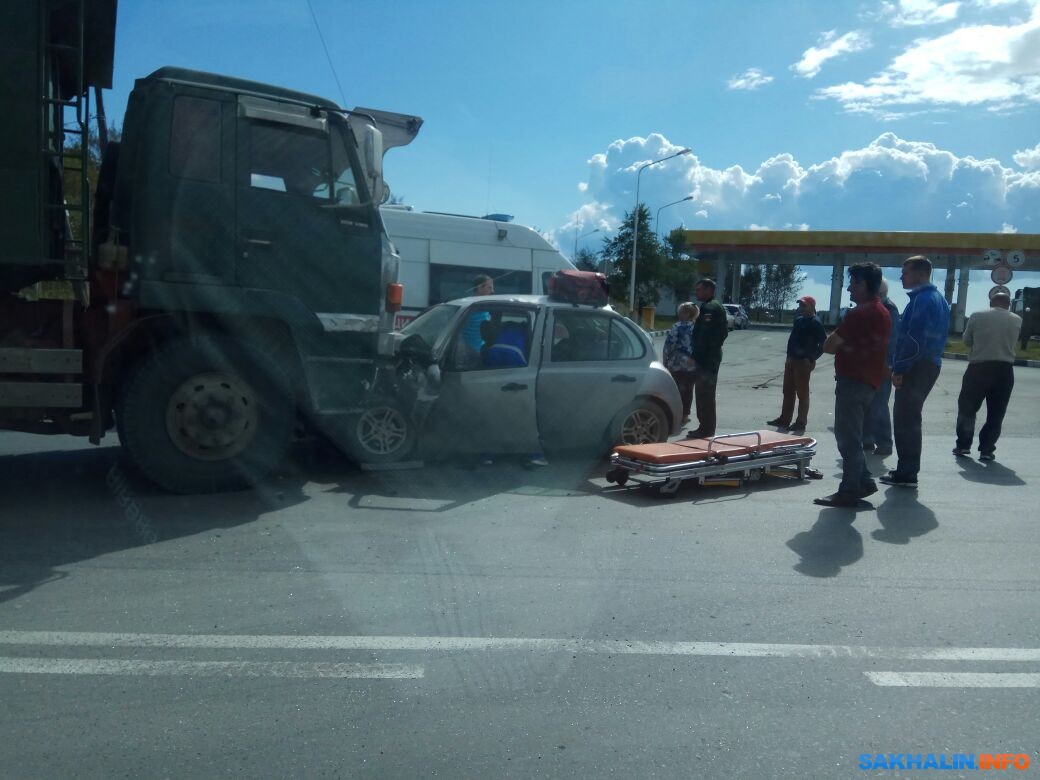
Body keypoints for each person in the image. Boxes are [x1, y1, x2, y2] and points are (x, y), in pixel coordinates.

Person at [814, 263, 892, 508]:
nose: (848, 288)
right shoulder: (882, 311)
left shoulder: (860, 312)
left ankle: (848, 490)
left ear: (864, 284)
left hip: (853, 382)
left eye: (853, 283)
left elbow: (829, 346)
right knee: (854, 436)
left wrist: (831, 338)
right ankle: (865, 481)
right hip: (869, 382)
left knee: (847, 438)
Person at [880, 256, 951, 488]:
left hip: (917, 365)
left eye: (906, 272)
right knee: (910, 418)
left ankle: (907, 472)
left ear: (921, 274)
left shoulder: (922, 300)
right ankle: (907, 468)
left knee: (905, 420)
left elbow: (914, 339)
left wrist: (900, 367)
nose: (902, 277)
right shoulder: (938, 299)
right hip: (929, 363)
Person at [953, 292, 1022, 461]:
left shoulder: (977, 315)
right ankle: (987, 449)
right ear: (1009, 304)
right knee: (996, 412)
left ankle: (963, 445)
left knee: (967, 408)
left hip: (979, 368)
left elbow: (967, 340)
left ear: (991, 302)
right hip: (1004, 370)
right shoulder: (1016, 319)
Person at [766, 295, 825, 434]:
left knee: (802, 394)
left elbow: (823, 344)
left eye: (804, 305)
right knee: (787, 391)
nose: (801, 308)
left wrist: (811, 357)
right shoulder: (798, 321)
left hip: (804, 363)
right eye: (800, 305)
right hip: (792, 360)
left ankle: (800, 422)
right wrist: (788, 356)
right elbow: (791, 340)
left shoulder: (815, 322)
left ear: (812, 307)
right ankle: (784, 419)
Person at [862, 280, 900, 456]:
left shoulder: (888, 309)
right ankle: (868, 440)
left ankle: (884, 442)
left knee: (879, 404)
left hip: (882, 364)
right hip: (872, 363)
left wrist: (888, 364)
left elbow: (891, 340)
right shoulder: (879, 308)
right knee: (869, 404)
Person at [686, 279, 728, 438]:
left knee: (704, 395)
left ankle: (706, 429)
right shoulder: (716, 306)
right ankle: (706, 427)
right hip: (711, 357)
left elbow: (703, 336)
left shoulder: (709, 307)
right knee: (706, 394)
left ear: (709, 290)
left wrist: (695, 356)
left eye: (699, 290)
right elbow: (723, 334)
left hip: (706, 359)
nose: (697, 292)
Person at [663, 301, 700, 425]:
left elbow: (669, 344)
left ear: (687, 313)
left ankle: (674, 414)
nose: (679, 314)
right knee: (688, 391)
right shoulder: (698, 327)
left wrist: (665, 359)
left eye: (681, 312)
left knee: (675, 390)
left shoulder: (677, 326)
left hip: (675, 364)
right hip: (691, 365)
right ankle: (684, 416)